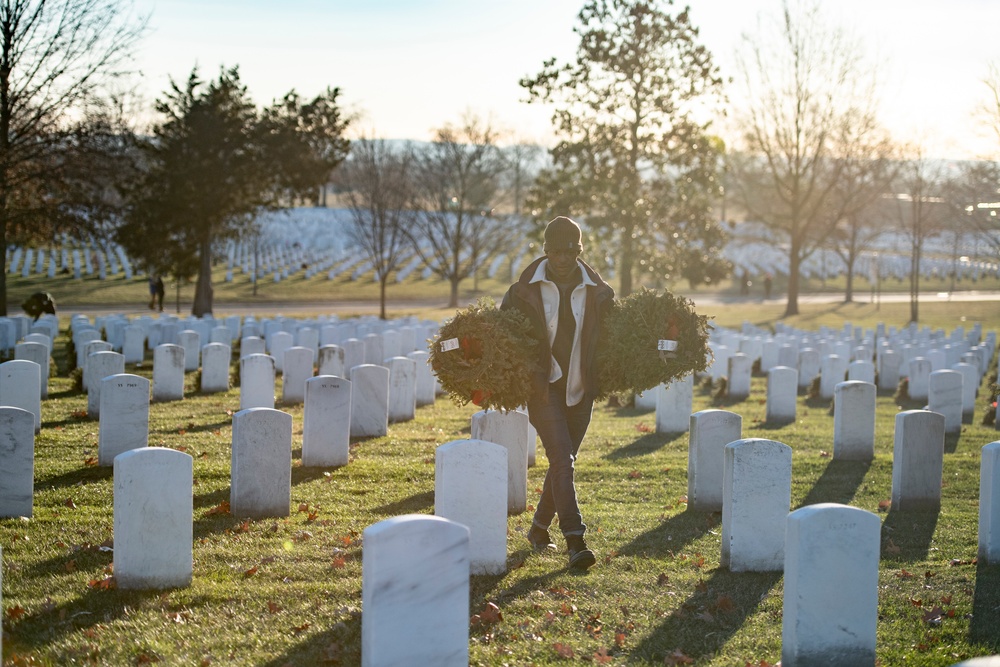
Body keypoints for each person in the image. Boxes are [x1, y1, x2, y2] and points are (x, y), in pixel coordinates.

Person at [500, 216, 614, 570]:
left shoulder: (600, 293)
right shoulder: (523, 291)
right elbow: (504, 336)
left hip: (581, 390)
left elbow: (614, 339)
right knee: (562, 461)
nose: (562, 258)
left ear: (579, 251)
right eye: (555, 250)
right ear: (546, 250)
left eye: (570, 250)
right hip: (543, 389)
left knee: (562, 464)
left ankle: (537, 530)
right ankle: (575, 541)